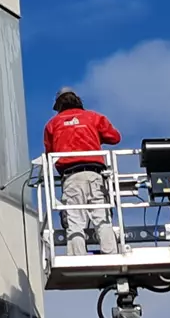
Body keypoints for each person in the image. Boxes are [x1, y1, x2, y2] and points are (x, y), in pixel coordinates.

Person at [43, 87, 121, 256]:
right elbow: (114, 138)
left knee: (75, 220)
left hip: (71, 177)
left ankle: (78, 257)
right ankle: (111, 253)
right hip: (95, 175)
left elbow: (50, 155)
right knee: (102, 218)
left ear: (58, 106)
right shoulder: (93, 117)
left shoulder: (53, 124)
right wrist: (92, 135)